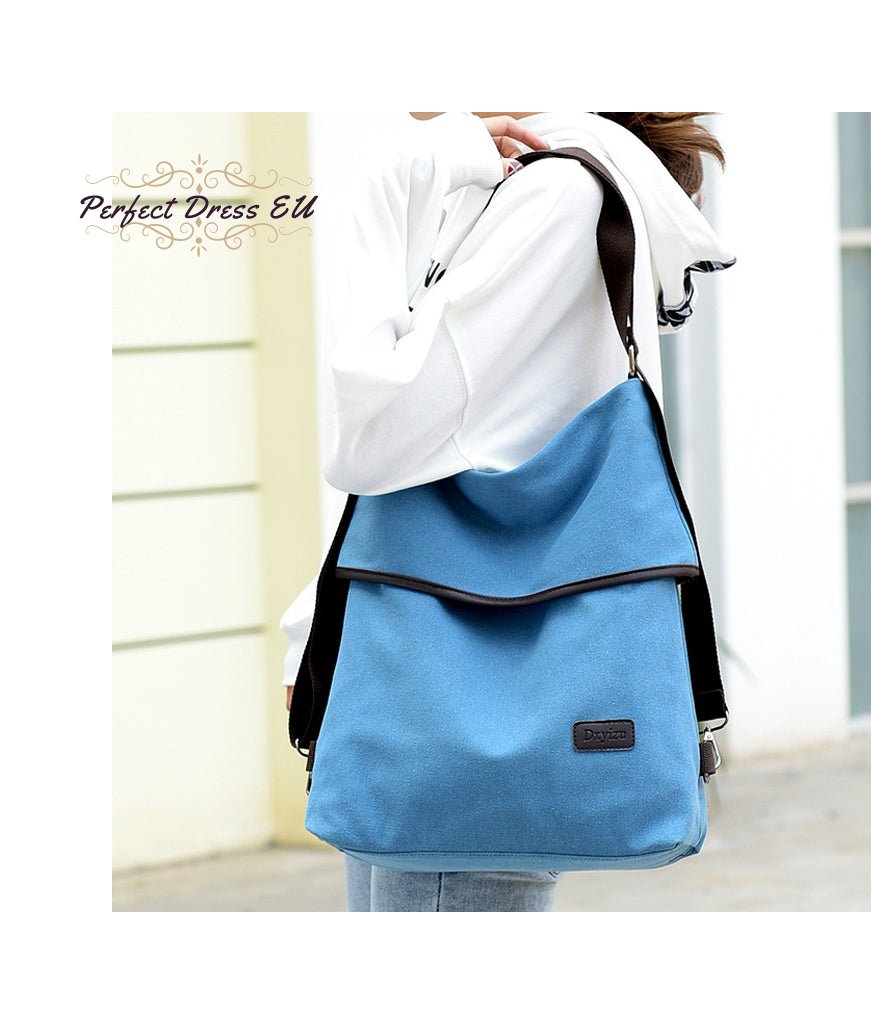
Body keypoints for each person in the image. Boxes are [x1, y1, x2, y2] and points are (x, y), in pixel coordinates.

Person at [281, 111, 736, 912]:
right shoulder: (524, 185)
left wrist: (390, 190)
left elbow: (370, 447)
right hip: (416, 673)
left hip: (447, 709)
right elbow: (444, 452)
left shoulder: (554, 197)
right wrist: (315, 632)